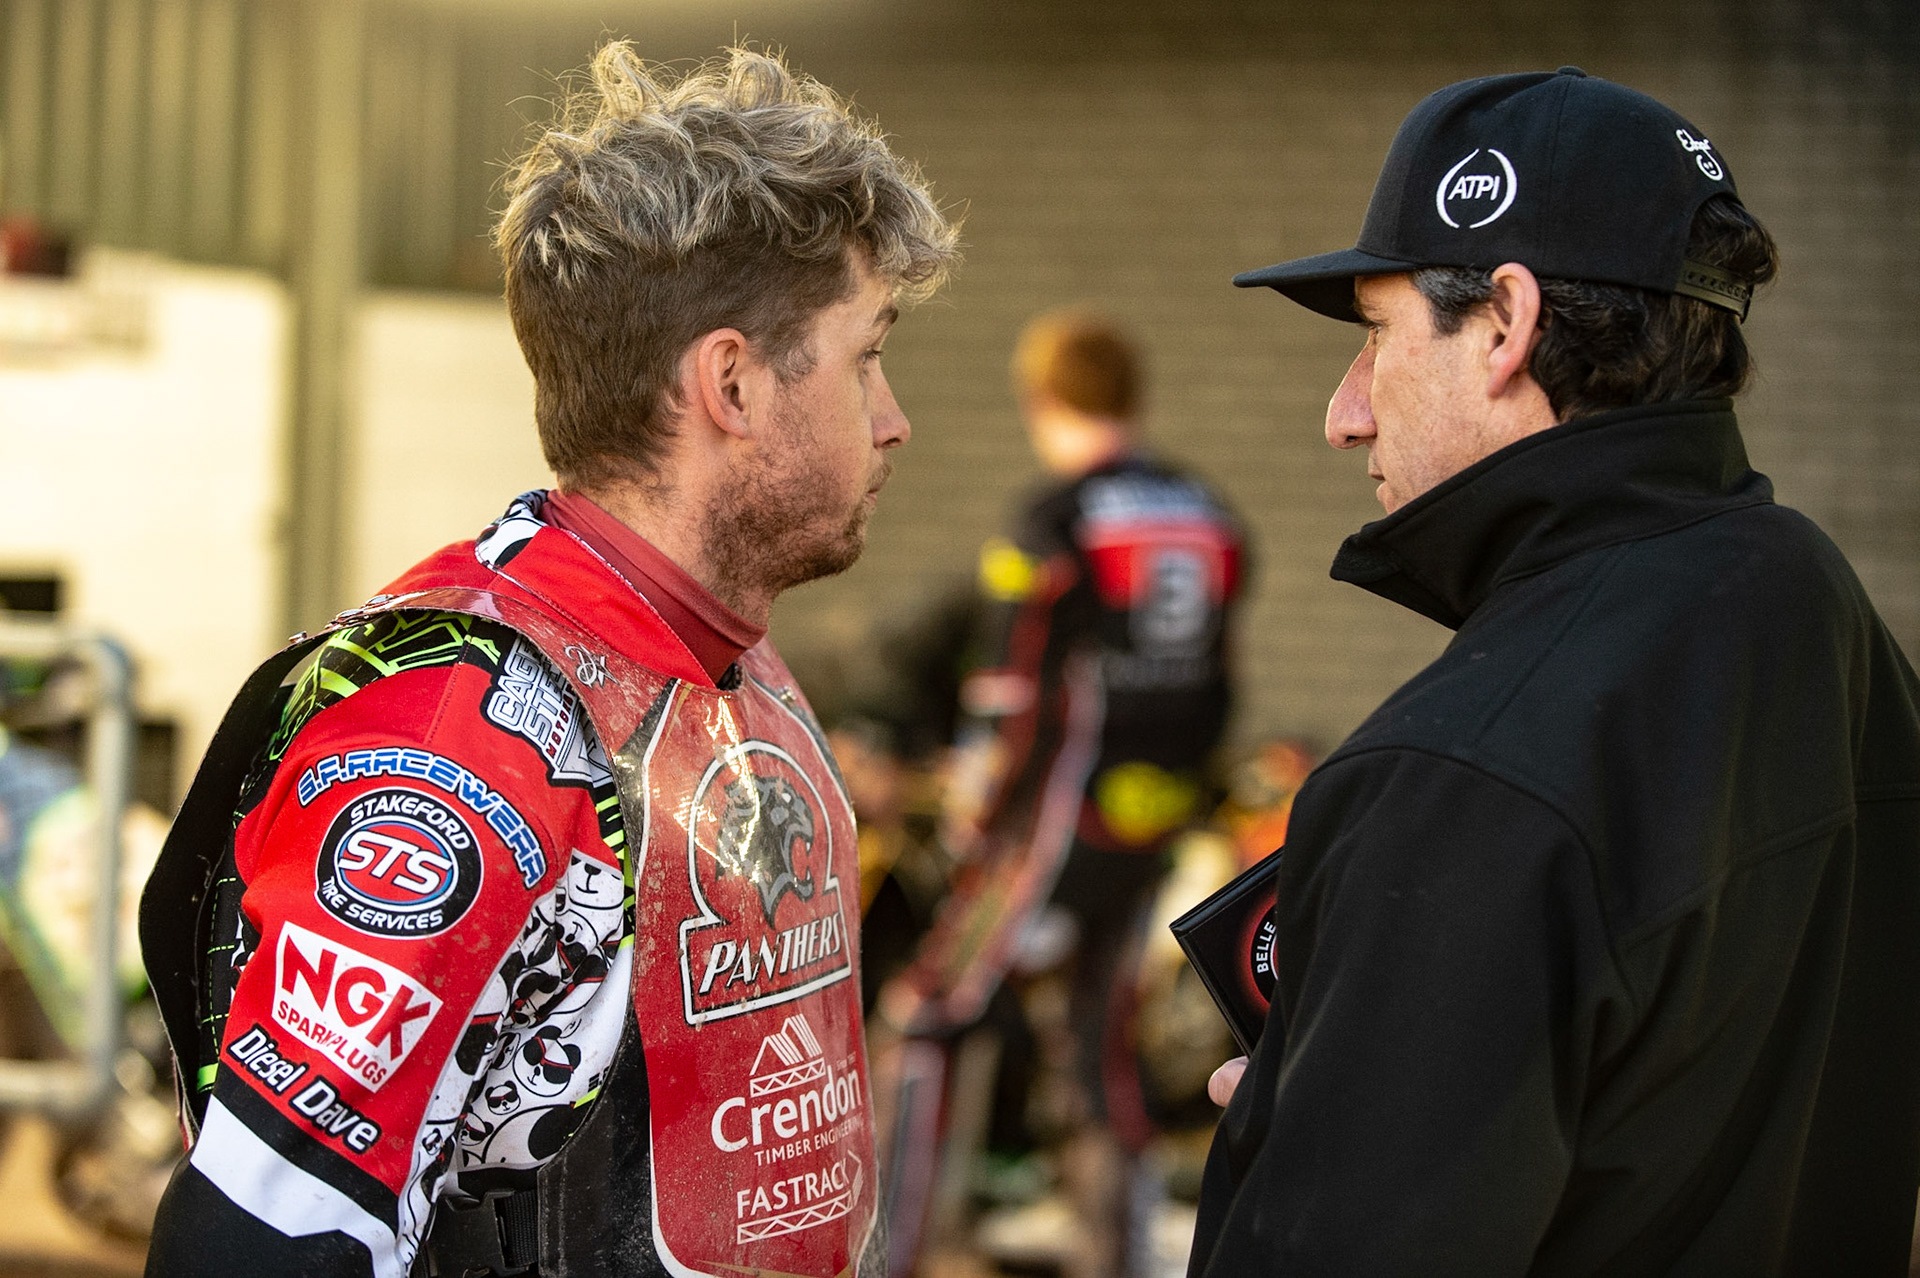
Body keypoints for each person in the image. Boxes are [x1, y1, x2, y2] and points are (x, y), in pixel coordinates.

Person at [138, 43, 957, 1278]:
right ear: (730, 382)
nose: (893, 418)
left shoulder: (724, 663)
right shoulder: (459, 734)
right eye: (868, 356)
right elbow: (257, 1241)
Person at [1192, 67, 1920, 1275]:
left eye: (1376, 336)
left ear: (1505, 323)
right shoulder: (1815, 605)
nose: (1344, 412)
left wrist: (1296, 1140)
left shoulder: (1459, 774)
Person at [881, 311, 1245, 1277]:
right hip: (1145, 827)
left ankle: (889, 1254)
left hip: (1047, 827)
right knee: (1101, 1046)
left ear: (1045, 401)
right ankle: (1116, 1261)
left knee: (927, 1012)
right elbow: (1220, 685)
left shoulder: (1056, 520)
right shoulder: (1209, 513)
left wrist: (971, 818)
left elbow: (1011, 692)